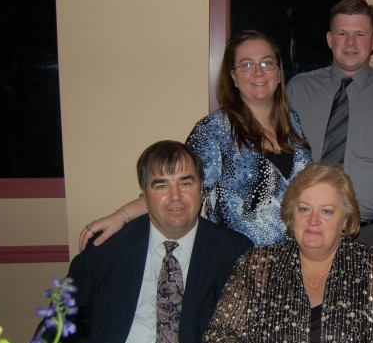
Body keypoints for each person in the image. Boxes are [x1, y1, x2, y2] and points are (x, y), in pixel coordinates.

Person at [23, 141, 253, 343]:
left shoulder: (234, 252)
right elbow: (57, 324)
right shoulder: (106, 247)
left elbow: (246, 335)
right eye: (161, 185)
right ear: (144, 196)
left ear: (201, 188)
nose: (175, 196)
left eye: (186, 183)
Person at [79, 30, 312, 249]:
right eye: (247, 65)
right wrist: (121, 216)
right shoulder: (214, 130)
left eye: (267, 63)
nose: (258, 72)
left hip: (297, 260)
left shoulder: (293, 123)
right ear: (233, 77)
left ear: (278, 72)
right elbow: (178, 188)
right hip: (240, 265)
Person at [204, 162, 373, 343]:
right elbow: (219, 334)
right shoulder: (258, 264)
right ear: (291, 216)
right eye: (304, 209)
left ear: (345, 221)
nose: (313, 221)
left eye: (327, 211)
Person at [286, 0, 373, 256]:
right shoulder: (298, 90)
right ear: (330, 39)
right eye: (342, 33)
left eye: (360, 34)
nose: (351, 43)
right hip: (309, 231)